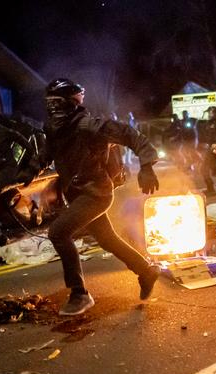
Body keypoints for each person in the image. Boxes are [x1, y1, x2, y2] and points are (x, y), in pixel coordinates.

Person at [42, 78, 161, 316]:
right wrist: (25, 173)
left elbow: (130, 135)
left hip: (96, 193)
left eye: (58, 102)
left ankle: (79, 294)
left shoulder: (90, 126)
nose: (53, 107)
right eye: (49, 102)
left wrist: (147, 166)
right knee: (107, 239)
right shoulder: (54, 128)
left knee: (58, 232)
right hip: (77, 193)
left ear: (71, 103)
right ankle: (146, 271)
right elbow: (47, 154)